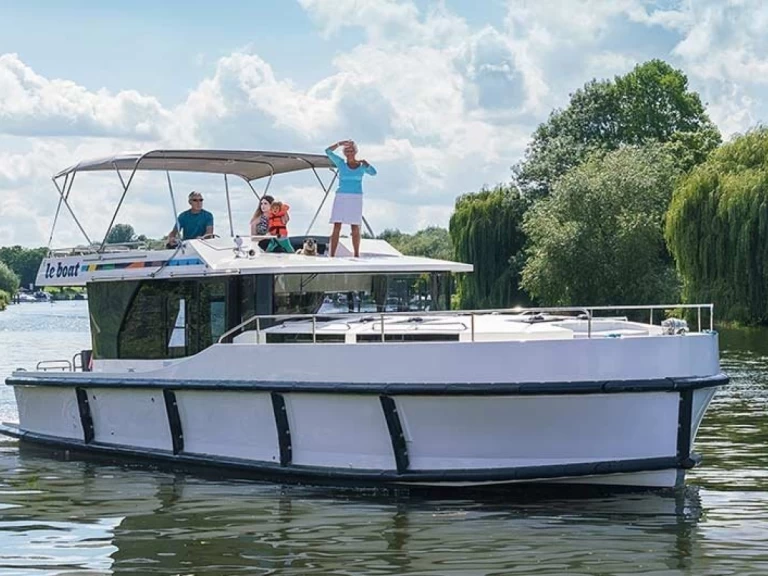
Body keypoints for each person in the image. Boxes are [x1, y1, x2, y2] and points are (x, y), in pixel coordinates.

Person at [325, 139, 376, 257]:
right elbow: (328, 151)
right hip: (341, 196)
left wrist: (367, 164)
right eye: (347, 150)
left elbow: (373, 173)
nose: (349, 152)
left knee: (355, 225)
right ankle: (332, 254)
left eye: (352, 150)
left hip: (356, 197)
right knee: (337, 225)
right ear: (344, 152)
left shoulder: (361, 166)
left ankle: (356, 254)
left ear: (355, 151)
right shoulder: (341, 163)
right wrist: (340, 144)